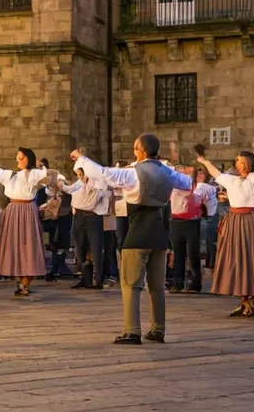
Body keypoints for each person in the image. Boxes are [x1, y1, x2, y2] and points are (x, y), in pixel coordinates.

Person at [73, 136, 193, 344]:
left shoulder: (133, 174)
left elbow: (103, 172)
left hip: (138, 232)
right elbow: (187, 183)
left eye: (135, 148)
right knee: (156, 286)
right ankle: (158, 329)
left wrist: (81, 159)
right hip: (159, 234)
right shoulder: (168, 173)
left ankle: (132, 330)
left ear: (142, 151)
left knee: (130, 283)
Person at [196, 151, 254, 317]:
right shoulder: (232, 179)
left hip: (249, 220)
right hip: (234, 219)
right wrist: (205, 161)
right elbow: (216, 173)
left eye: (238, 160)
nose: (236, 162)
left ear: (245, 163)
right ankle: (245, 301)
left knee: (252, 256)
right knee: (237, 257)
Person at [0, 146, 50, 297]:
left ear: (27, 159)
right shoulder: (10, 175)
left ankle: (25, 282)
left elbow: (45, 176)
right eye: (17, 157)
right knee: (13, 245)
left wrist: (41, 166)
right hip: (13, 210)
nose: (18, 159)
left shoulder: (33, 174)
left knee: (28, 245)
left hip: (27, 210)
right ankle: (19, 280)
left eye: (21, 157)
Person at [167, 165, 217, 293]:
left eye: (203, 174)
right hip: (176, 221)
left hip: (192, 222)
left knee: (193, 253)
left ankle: (195, 283)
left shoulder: (201, 188)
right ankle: (177, 283)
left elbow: (210, 196)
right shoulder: (173, 187)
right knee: (178, 253)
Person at [64, 167, 110, 290]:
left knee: (95, 247)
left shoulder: (98, 183)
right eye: (78, 174)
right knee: (80, 247)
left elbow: (97, 197)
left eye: (81, 174)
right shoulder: (78, 184)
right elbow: (70, 192)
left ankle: (97, 278)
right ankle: (85, 277)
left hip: (92, 216)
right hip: (79, 216)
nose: (80, 177)